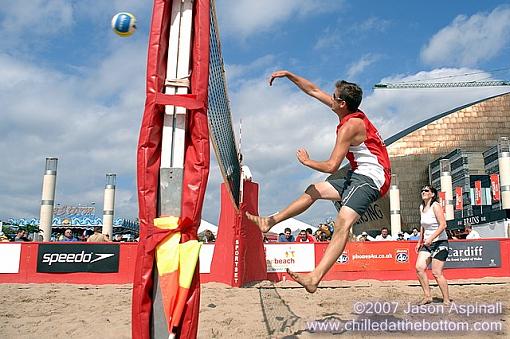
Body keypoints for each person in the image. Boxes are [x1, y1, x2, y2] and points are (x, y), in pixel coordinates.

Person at [246, 70, 391, 293]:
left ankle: (315, 277)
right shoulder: (346, 111)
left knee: (342, 222)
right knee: (313, 190)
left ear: (342, 103)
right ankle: (270, 221)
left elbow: (332, 166)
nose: (329, 98)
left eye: (333, 96)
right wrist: (288, 75)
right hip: (360, 172)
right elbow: (313, 91)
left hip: (373, 178)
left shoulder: (349, 127)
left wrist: (307, 161)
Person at [415, 185, 450, 306]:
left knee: (436, 273)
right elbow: (422, 226)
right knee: (419, 268)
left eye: (426, 190)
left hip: (440, 242)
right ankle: (427, 296)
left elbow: (443, 225)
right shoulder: (421, 207)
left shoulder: (436, 206)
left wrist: (431, 238)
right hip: (427, 243)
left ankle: (446, 299)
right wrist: (420, 241)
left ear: (432, 194)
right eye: (422, 190)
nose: (423, 192)